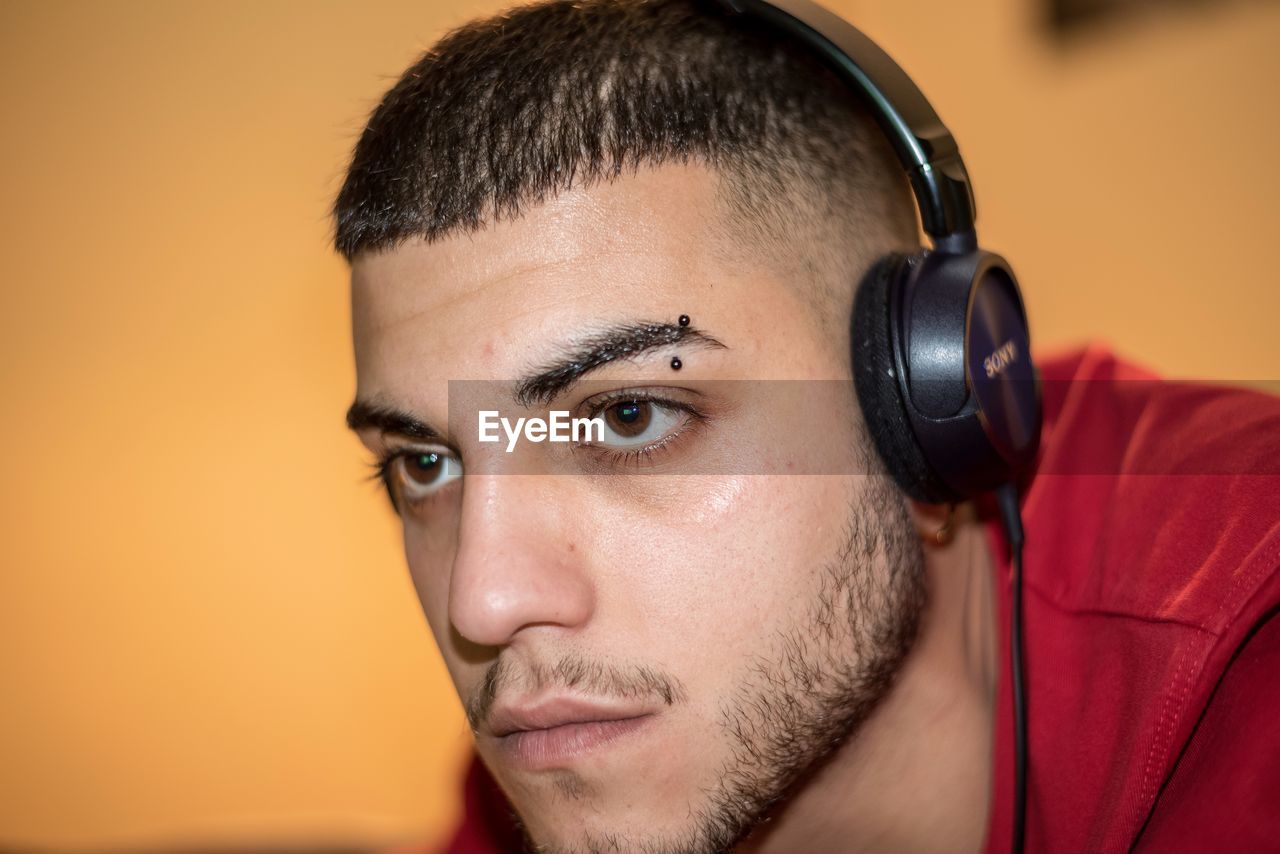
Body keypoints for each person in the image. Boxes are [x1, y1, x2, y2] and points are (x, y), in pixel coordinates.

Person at [334, 0, 1280, 851]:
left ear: (916, 410)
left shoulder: (1248, 649)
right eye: (427, 462)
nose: (485, 604)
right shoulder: (574, 724)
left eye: (626, 416)